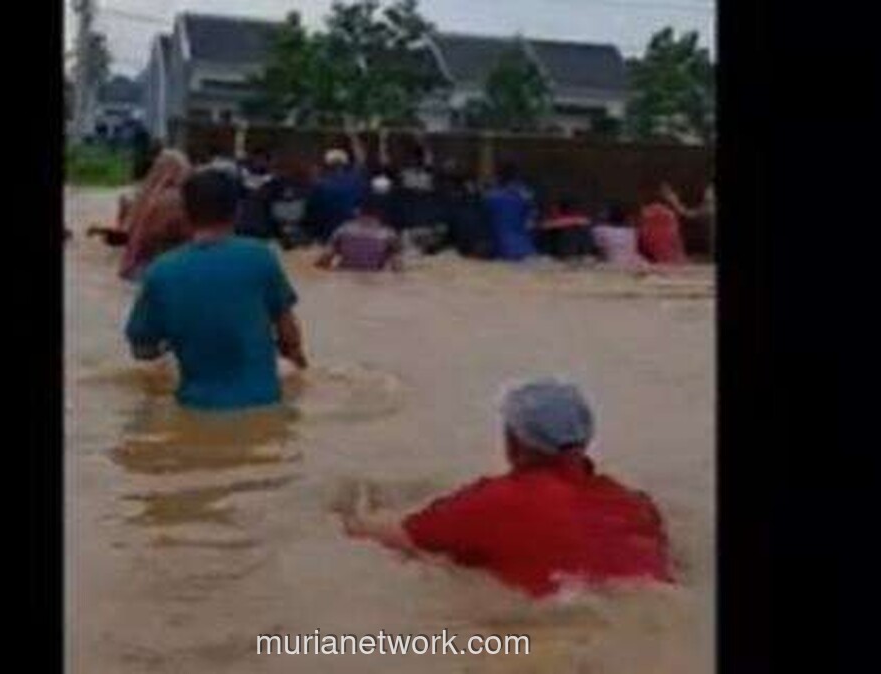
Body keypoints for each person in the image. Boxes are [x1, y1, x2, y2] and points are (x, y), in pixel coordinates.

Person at [342, 378, 673, 597]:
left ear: (513, 442)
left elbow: (395, 537)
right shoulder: (637, 506)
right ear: (585, 440)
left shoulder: (495, 501)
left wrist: (344, 513)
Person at [125, 170, 309, 410]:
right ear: (237, 210)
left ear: (185, 213)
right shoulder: (261, 257)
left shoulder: (160, 272)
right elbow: (289, 335)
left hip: (195, 410)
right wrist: (300, 367)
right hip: (263, 406)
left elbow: (142, 349)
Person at [116, 149, 195, 280]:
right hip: (164, 269)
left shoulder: (144, 196)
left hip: (137, 268)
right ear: (179, 171)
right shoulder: (174, 199)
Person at [314, 190, 405, 273]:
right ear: (381, 212)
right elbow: (397, 268)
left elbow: (324, 260)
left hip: (344, 280)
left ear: (358, 211)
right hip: (374, 281)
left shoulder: (343, 230)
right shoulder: (389, 235)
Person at [305, 131, 369, 242]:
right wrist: (353, 136)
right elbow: (361, 161)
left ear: (327, 164)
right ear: (345, 163)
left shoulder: (320, 184)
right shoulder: (355, 178)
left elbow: (311, 211)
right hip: (351, 232)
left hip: (327, 232)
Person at [484, 162, 538, 261]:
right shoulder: (525, 195)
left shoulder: (490, 196)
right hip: (525, 250)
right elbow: (531, 221)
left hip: (499, 249)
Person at [636, 183, 688, 265]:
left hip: (663, 256)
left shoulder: (651, 212)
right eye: (666, 192)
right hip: (664, 255)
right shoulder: (661, 213)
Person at [591, 201, 648, 270]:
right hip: (636, 263)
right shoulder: (632, 231)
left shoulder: (600, 230)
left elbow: (598, 250)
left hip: (614, 265)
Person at [539, 195, 594, 261]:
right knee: (553, 231)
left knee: (582, 230)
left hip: (574, 248)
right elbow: (544, 226)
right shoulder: (554, 216)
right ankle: (551, 255)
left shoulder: (577, 215)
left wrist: (571, 221)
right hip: (559, 248)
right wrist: (565, 222)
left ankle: (585, 254)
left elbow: (586, 221)